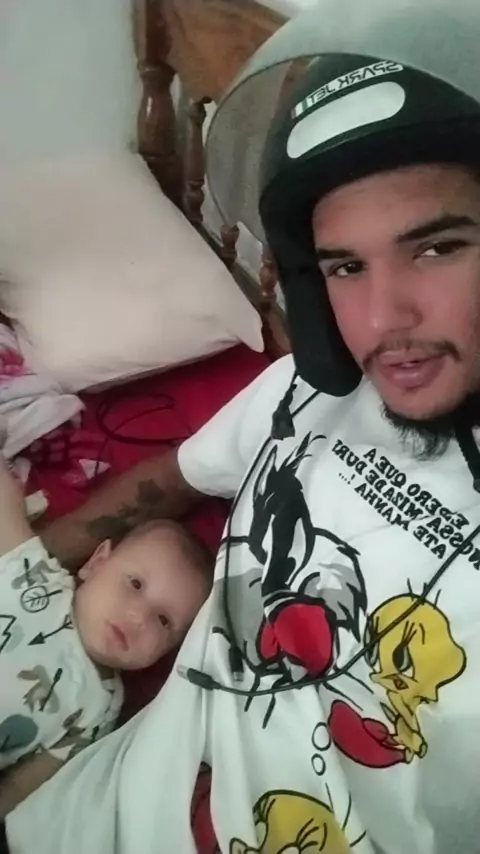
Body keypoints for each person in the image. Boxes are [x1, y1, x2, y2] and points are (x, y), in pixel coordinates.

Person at [3, 3, 480, 852]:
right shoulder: (307, 385)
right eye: (344, 266)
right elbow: (169, 480)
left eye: (436, 247)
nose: (383, 321)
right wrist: (24, 575)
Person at [0, 456, 210, 816]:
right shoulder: (39, 580)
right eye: (135, 584)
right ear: (97, 562)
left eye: (163, 621)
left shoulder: (99, 710)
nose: (138, 617)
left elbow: (22, 786)